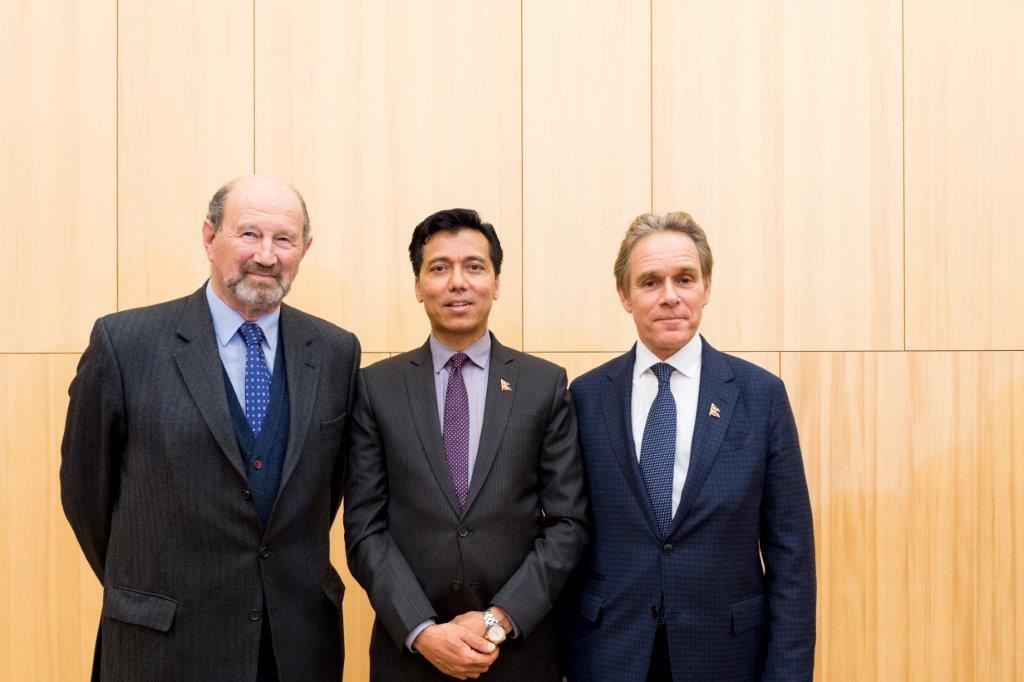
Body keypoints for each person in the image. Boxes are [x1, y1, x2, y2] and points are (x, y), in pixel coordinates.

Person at [60, 176, 360, 680]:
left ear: (304, 249)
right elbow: (86, 496)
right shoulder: (125, 344)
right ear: (209, 238)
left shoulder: (335, 352)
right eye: (248, 234)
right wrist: (146, 588)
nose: (266, 255)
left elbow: (323, 494)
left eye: (283, 239)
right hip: (164, 644)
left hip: (294, 647)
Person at [562, 212, 815, 681]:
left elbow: (791, 554)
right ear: (625, 295)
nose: (670, 296)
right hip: (608, 654)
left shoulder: (761, 396)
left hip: (727, 656)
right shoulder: (585, 397)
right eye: (650, 282)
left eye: (684, 279)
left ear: (706, 287)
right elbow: (566, 534)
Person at [344, 208, 588, 680]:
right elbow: (364, 529)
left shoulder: (544, 384)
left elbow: (568, 525)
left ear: (496, 282)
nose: (458, 282)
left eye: (474, 267)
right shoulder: (377, 388)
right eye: (439, 268)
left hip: (518, 655)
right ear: (418, 286)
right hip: (410, 656)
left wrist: (496, 622)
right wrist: (422, 630)